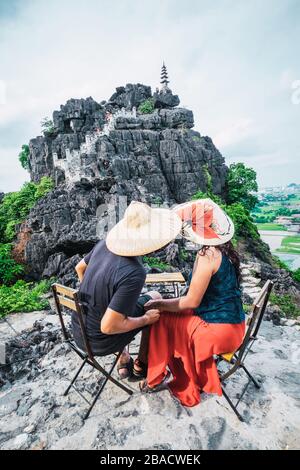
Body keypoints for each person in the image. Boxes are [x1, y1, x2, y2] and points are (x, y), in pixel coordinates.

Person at [141, 198, 246, 406]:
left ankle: (154, 375)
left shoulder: (207, 254)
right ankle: (155, 371)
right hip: (235, 325)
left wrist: (159, 304)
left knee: (160, 318)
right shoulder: (225, 251)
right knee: (168, 316)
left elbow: (191, 301)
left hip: (219, 330)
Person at [72, 201, 182, 378]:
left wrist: (96, 298)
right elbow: (108, 326)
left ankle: (123, 359)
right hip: (100, 342)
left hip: (78, 331)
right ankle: (141, 364)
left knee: (118, 306)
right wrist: (145, 319)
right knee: (154, 299)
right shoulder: (134, 272)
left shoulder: (103, 244)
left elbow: (79, 268)